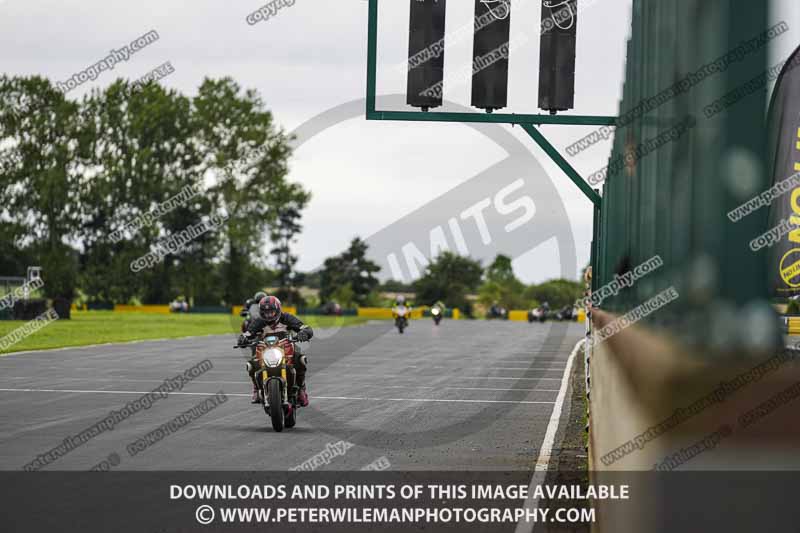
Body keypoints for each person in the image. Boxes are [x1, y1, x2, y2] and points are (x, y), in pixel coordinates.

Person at [238, 295, 313, 405]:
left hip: (287, 349)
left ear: (277, 310)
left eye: (271, 312)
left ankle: (301, 388)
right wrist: (243, 338)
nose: (268, 315)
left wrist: (304, 333)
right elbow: (249, 332)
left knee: (301, 360)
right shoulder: (259, 322)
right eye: (265, 312)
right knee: (251, 365)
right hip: (266, 350)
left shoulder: (286, 318)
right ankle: (257, 389)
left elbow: (304, 327)